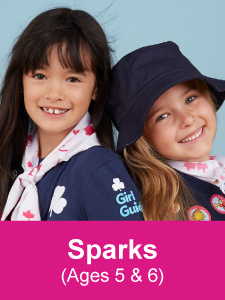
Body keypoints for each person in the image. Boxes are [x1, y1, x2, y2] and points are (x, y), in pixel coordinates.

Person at [0, 7, 143, 221]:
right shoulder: (13, 160)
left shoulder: (99, 170)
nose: (54, 93)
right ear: (21, 80)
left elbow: (131, 251)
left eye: (73, 79)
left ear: (96, 88)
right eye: (40, 75)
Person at [107, 41, 225, 221]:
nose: (187, 119)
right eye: (162, 116)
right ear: (142, 138)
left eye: (190, 98)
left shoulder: (220, 168)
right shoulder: (150, 202)